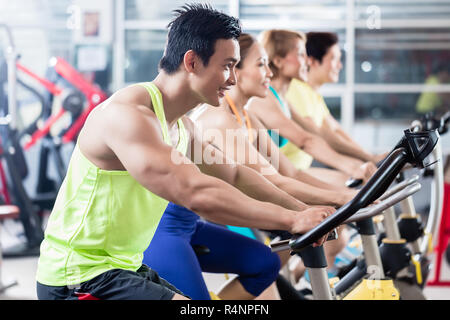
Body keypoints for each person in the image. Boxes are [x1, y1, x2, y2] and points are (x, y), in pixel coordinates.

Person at [36, 3, 333, 300]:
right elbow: (197, 193)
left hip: (124, 266)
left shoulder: (183, 127)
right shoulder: (129, 115)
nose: (232, 78)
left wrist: (302, 210)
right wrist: (290, 221)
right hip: (79, 276)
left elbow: (235, 174)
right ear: (191, 62)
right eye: (227, 65)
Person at [143, 33, 355, 300]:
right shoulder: (218, 120)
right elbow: (265, 179)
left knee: (265, 263)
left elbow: (286, 173)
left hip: (194, 224)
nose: (268, 72)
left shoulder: (247, 116)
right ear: (237, 72)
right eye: (260, 65)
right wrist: (341, 198)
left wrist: (334, 201)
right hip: (169, 228)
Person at [246, 30, 378, 188]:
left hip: (281, 176)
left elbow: (314, 133)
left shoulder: (284, 100)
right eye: (301, 55)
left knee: (354, 185)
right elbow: (304, 141)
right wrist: (352, 166)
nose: (307, 62)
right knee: (349, 189)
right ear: (279, 61)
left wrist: (361, 160)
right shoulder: (264, 97)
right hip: (264, 183)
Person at [285, 31, 388, 167]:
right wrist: (368, 158)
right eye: (334, 59)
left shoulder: (313, 95)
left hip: (298, 171)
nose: (339, 66)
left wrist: (369, 156)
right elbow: (325, 136)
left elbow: (336, 130)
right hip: (286, 173)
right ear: (312, 60)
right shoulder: (296, 89)